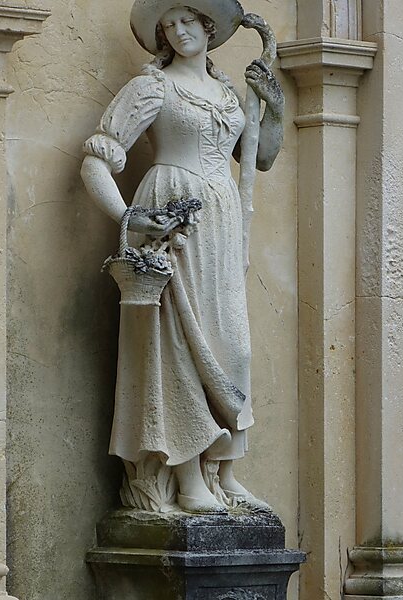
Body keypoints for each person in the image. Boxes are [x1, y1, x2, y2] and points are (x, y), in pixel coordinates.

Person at [81, 0, 284, 513]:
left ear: (208, 26)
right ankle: (188, 476)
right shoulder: (153, 87)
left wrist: (272, 108)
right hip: (173, 214)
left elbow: (261, 156)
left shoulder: (228, 94)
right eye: (167, 26)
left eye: (187, 21)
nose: (177, 32)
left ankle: (225, 469)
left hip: (222, 218)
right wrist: (130, 218)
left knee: (232, 345)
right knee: (179, 344)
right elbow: (95, 162)